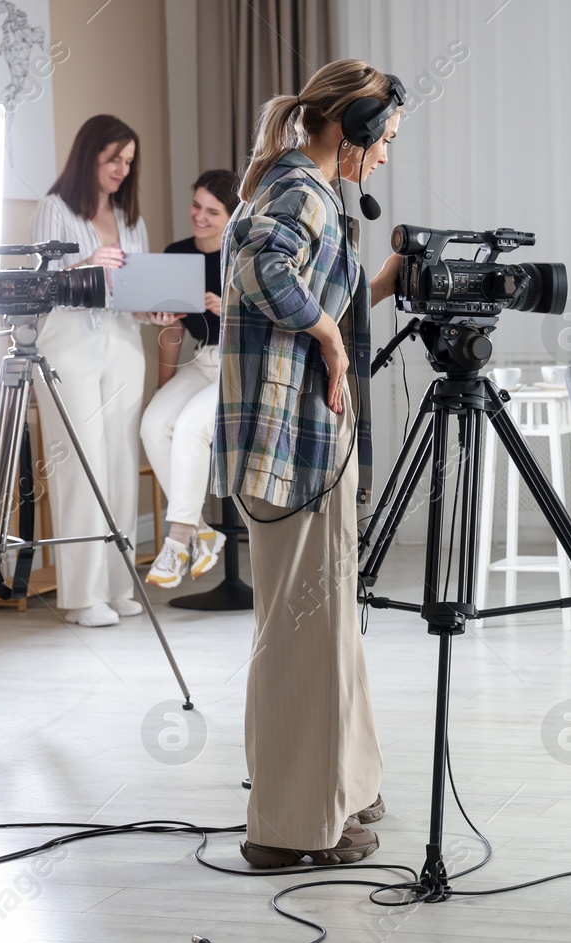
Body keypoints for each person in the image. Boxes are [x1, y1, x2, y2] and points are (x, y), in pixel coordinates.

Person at [212, 60, 404, 867]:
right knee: (300, 635)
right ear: (352, 129)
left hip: (313, 443)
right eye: (385, 139)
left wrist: (389, 279)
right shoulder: (299, 190)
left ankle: (344, 789)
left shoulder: (313, 196)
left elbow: (325, 290)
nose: (387, 156)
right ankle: (287, 830)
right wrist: (327, 335)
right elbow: (257, 270)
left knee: (327, 630)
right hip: (291, 446)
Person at [31, 115, 181, 627]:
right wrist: (86, 264)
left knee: (118, 462)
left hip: (122, 344)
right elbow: (41, 284)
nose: (123, 169)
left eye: (129, 161)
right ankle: (80, 595)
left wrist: (153, 310)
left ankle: (117, 584)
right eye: (114, 159)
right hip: (68, 346)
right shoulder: (55, 209)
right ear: (89, 155)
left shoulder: (128, 217)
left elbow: (127, 293)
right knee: (81, 464)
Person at [140, 169, 241, 588]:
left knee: (187, 429)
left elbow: (271, 324)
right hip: (201, 361)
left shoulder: (245, 253)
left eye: (212, 211)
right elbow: (173, 329)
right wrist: (165, 384)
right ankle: (201, 529)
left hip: (238, 363)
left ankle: (178, 539)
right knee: (151, 425)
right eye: (196, 205)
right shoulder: (177, 252)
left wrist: (229, 310)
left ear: (232, 217)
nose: (199, 216)